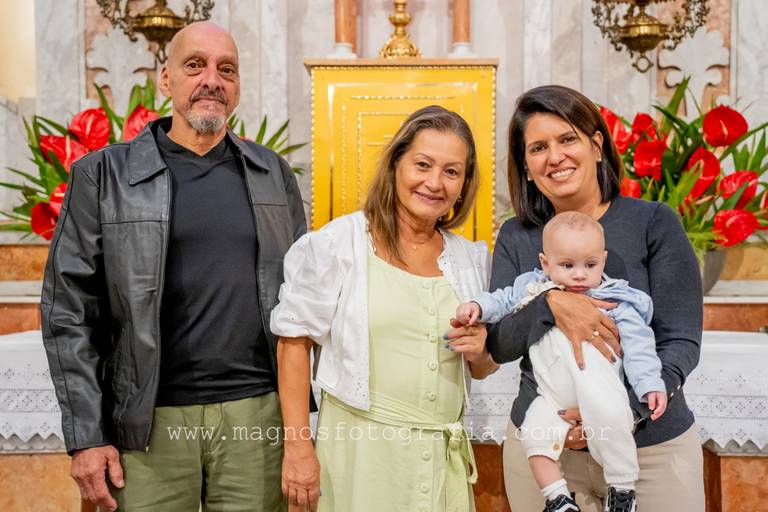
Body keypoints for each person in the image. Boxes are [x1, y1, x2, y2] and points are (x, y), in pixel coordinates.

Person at [40, 21, 305, 512]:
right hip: (147, 423)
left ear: (238, 86)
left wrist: (298, 432)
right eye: (195, 66)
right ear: (166, 79)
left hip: (255, 417)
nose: (212, 80)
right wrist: (87, 436)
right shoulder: (103, 176)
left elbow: (304, 300)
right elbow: (68, 313)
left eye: (227, 70)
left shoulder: (273, 175)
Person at [486, 85, 704, 512]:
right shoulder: (517, 235)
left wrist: (619, 415)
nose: (555, 156)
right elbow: (500, 343)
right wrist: (551, 305)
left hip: (651, 449)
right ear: (526, 167)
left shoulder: (653, 223)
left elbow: (680, 341)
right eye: (538, 148)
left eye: (567, 139)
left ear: (597, 145)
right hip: (547, 453)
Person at [271, 105, 498, 512]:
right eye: (422, 165)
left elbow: (480, 367)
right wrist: (298, 448)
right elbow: (294, 343)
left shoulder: (470, 260)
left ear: (464, 184)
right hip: (361, 457)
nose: (434, 182)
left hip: (439, 462)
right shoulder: (340, 244)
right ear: (395, 165)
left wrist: (481, 352)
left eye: (451, 172)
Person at [456, 211, 667, 512]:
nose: (579, 274)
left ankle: (622, 490)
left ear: (603, 261)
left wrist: (650, 384)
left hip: (600, 390)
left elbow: (640, 347)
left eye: (590, 265)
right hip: (551, 396)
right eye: (567, 265)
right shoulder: (532, 289)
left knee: (613, 420)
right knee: (534, 431)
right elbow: (501, 300)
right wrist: (478, 305)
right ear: (545, 263)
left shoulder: (615, 301)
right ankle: (557, 497)